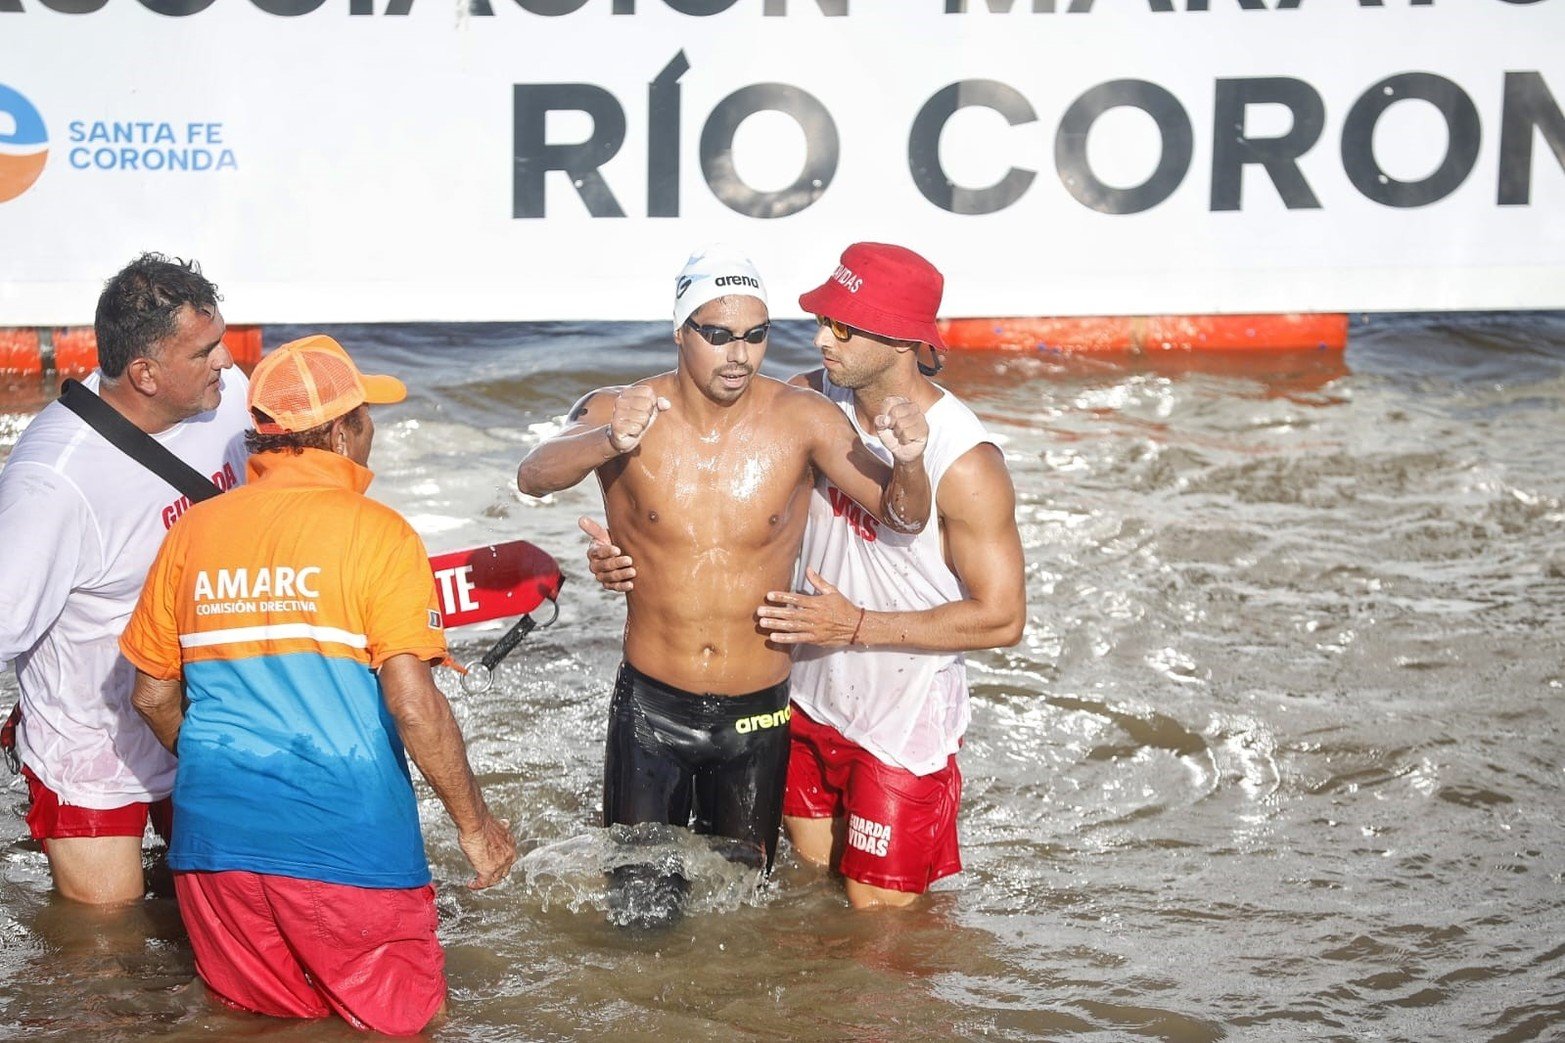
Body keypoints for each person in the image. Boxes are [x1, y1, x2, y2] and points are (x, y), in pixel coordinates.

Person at [588, 243, 1026, 910]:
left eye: (841, 328)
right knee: (806, 908)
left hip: (895, 717)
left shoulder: (963, 460)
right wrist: (626, 554)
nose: (819, 338)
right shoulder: (806, 401)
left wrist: (855, 624)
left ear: (901, 339)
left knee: (881, 927)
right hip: (805, 700)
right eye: (822, 319)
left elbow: (1002, 617)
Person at [119, 335, 516, 1035]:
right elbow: (412, 702)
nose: (372, 432)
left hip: (216, 848)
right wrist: (476, 827)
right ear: (338, 431)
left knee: (257, 1024)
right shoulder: (380, 533)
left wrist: (230, 771)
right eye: (365, 416)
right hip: (347, 846)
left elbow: (151, 695)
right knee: (406, 1025)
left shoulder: (195, 531)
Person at [515, 244, 931, 878]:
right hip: (650, 710)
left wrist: (908, 463)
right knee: (639, 910)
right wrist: (610, 442)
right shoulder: (619, 409)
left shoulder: (804, 419)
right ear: (680, 332)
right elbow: (533, 476)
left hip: (758, 712)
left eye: (755, 335)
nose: (739, 354)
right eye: (718, 335)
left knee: (743, 924)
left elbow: (904, 515)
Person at [0, 253, 248, 905]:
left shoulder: (230, 400)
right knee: (106, 950)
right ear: (144, 373)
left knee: (227, 917)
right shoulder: (50, 484)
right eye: (205, 352)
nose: (226, 362)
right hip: (90, 738)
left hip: (205, 712)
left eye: (221, 341)